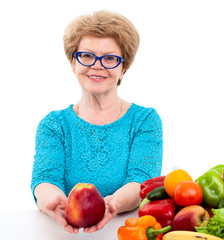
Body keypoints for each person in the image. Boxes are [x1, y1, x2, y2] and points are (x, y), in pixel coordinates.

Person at [30, 10, 163, 234]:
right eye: (87, 56)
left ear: (123, 69)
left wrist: (114, 203)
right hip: (62, 235)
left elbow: (141, 181)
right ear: (74, 63)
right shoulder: (53, 125)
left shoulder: (144, 121)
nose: (97, 65)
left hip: (128, 232)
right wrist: (53, 200)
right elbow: (45, 179)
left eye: (110, 58)